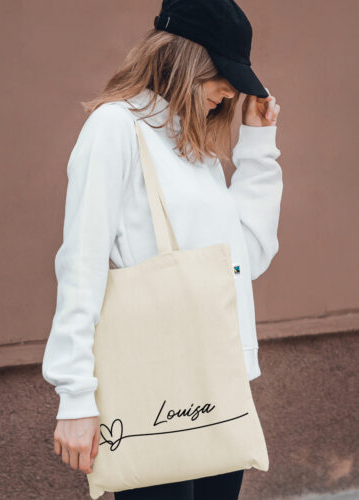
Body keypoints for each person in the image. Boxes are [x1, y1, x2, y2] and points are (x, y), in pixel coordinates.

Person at [42, 0, 282, 498]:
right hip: (156, 381)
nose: (230, 92)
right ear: (186, 59)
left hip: (217, 380)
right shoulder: (115, 127)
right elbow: (82, 264)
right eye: (224, 76)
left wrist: (259, 148)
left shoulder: (193, 144)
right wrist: (75, 395)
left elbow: (246, 260)